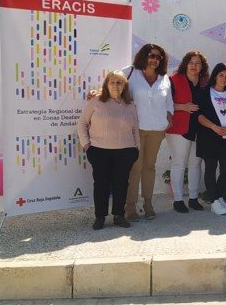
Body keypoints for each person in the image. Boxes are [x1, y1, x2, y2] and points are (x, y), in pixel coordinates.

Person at [77, 71, 140, 230]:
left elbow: (135, 129)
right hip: (99, 152)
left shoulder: (130, 105)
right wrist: (87, 146)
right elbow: (82, 124)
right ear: (106, 84)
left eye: (119, 82)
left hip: (125, 152)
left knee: (121, 184)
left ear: (124, 86)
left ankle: (119, 216)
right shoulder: (95, 101)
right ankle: (100, 217)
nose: (115, 85)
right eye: (112, 82)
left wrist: (136, 149)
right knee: (101, 185)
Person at [122, 44, 174, 222]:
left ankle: (148, 203)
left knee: (149, 167)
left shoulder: (164, 78)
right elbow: (112, 85)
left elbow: (169, 102)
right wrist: (97, 93)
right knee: (135, 167)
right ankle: (130, 205)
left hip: (157, 130)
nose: (154, 59)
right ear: (144, 56)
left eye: (159, 57)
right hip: (136, 129)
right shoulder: (131, 73)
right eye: (151, 55)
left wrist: (169, 118)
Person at [196, 63, 226, 215]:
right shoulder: (205, 92)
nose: (224, 79)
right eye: (221, 75)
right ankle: (213, 201)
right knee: (210, 169)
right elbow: (199, 116)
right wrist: (214, 127)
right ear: (215, 76)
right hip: (209, 137)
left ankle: (219, 197)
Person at [166, 51, 208, 214]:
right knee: (179, 163)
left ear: (202, 67)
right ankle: (177, 200)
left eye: (198, 63)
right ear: (185, 64)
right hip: (179, 128)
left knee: (195, 163)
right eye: (191, 62)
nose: (194, 66)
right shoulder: (173, 80)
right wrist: (183, 107)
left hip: (199, 129)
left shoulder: (204, 83)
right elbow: (164, 104)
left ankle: (193, 198)